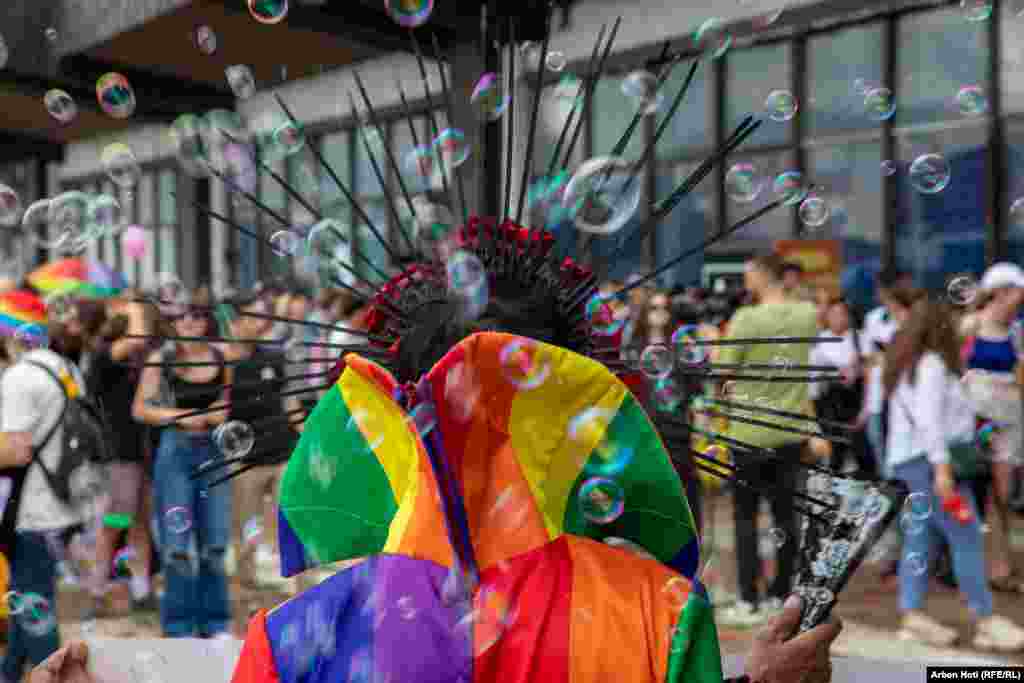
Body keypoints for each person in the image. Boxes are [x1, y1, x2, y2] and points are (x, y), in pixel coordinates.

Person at [871, 297, 1024, 651]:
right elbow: (930, 422)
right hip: (932, 465)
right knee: (966, 534)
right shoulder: (932, 366)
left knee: (920, 539)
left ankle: (912, 616)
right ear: (941, 325)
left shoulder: (913, 363)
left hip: (916, 462)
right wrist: (942, 471)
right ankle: (985, 620)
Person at [716, 253, 820, 626]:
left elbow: (722, 367)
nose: (746, 282)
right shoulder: (806, 314)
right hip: (790, 430)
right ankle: (781, 593)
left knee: (745, 517)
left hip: (748, 432)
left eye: (748, 275)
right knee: (785, 516)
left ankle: (749, 597)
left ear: (762, 275)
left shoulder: (746, 318)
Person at [131, 288, 232, 638]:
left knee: (216, 542)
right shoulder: (163, 358)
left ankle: (215, 622)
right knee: (177, 547)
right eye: (182, 317)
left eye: (197, 316)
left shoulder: (222, 357)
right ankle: (179, 624)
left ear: (207, 321)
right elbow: (140, 408)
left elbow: (226, 404)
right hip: (176, 450)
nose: (189, 323)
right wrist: (182, 416)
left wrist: (219, 415)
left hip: (214, 451)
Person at [0, 291, 83, 680]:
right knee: (29, 597)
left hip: (32, 508)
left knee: (33, 602)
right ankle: (9, 672)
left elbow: (15, 450)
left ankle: (52, 674)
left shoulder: (20, 378)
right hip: (62, 504)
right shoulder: (65, 369)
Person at [222, 289, 304, 591]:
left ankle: (297, 583)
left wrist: (307, 436)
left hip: (284, 452)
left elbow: (290, 403)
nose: (260, 324)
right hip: (245, 459)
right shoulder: (224, 363)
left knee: (292, 519)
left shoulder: (274, 357)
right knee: (245, 525)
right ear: (234, 322)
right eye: (252, 318)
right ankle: (245, 584)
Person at [81, 298, 159, 617]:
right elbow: (136, 341)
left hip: (143, 451)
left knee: (140, 524)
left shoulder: (141, 358)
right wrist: (136, 311)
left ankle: (141, 590)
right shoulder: (104, 355)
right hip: (119, 453)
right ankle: (96, 592)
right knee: (115, 522)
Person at [959, 263, 1024, 594]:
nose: (1020, 299)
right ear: (999, 292)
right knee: (976, 493)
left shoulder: (1017, 332)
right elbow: (954, 367)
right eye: (1016, 292)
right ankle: (984, 567)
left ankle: (1003, 567)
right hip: (977, 419)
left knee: (1003, 494)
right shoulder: (971, 325)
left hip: (1009, 419)